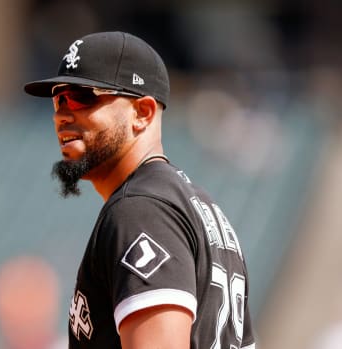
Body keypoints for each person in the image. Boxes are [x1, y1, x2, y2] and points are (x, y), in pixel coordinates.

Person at [23, 31, 256, 349]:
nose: (62, 115)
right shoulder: (193, 205)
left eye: (82, 97)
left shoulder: (141, 210)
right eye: (58, 99)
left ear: (142, 113)